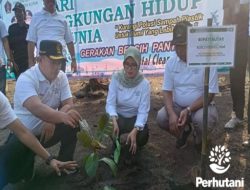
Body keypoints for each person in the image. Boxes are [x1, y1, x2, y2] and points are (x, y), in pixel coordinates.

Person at [6, 40, 81, 184]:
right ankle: (27, 165)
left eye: (60, 62)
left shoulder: (61, 76)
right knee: (16, 177)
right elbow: (37, 108)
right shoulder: (26, 79)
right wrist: (56, 117)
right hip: (24, 136)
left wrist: (53, 119)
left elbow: (68, 104)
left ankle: (65, 164)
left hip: (48, 133)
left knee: (72, 121)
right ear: (39, 59)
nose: (57, 67)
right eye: (53, 62)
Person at [156, 21, 219, 150]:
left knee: (203, 121)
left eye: (183, 46)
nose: (179, 50)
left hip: (201, 107)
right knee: (162, 117)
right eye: (176, 46)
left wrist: (189, 109)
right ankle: (184, 132)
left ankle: (200, 136)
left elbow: (210, 94)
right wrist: (172, 113)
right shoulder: (171, 63)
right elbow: (167, 91)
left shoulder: (207, 61)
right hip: (178, 106)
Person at [0, 91, 78, 189]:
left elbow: (23, 133)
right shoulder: (26, 79)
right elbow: (35, 107)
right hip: (27, 133)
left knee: (15, 150)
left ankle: (24, 171)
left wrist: (50, 160)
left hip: (36, 135)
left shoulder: (1, 100)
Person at [106, 46, 150, 164]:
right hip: (119, 117)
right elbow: (110, 103)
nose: (130, 69)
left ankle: (134, 147)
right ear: (123, 64)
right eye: (127, 64)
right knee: (109, 125)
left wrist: (136, 129)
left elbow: (143, 110)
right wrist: (113, 119)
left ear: (139, 65)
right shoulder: (116, 78)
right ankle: (116, 145)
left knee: (143, 134)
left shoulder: (144, 84)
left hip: (134, 118)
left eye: (133, 65)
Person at [26, 0, 77, 72]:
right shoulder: (36, 17)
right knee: (44, 83)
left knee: (60, 82)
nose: (50, 1)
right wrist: (31, 62)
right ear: (43, 1)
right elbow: (31, 41)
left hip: (60, 60)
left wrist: (73, 59)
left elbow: (69, 41)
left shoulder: (62, 19)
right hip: (43, 60)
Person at [223, 0, 249, 129]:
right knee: (236, 80)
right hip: (238, 41)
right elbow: (226, 16)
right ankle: (237, 116)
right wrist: (225, 38)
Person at [8, 2, 29, 79]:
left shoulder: (29, 28)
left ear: (24, 13)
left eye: (20, 11)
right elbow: (9, 47)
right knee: (20, 85)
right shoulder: (11, 28)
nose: (18, 14)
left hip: (28, 62)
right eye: (16, 12)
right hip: (17, 63)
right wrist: (13, 62)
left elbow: (34, 45)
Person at [0, 19, 12, 95]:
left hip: (0, 63)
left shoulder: (1, 23)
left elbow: (5, 41)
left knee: (1, 92)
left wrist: (8, 58)